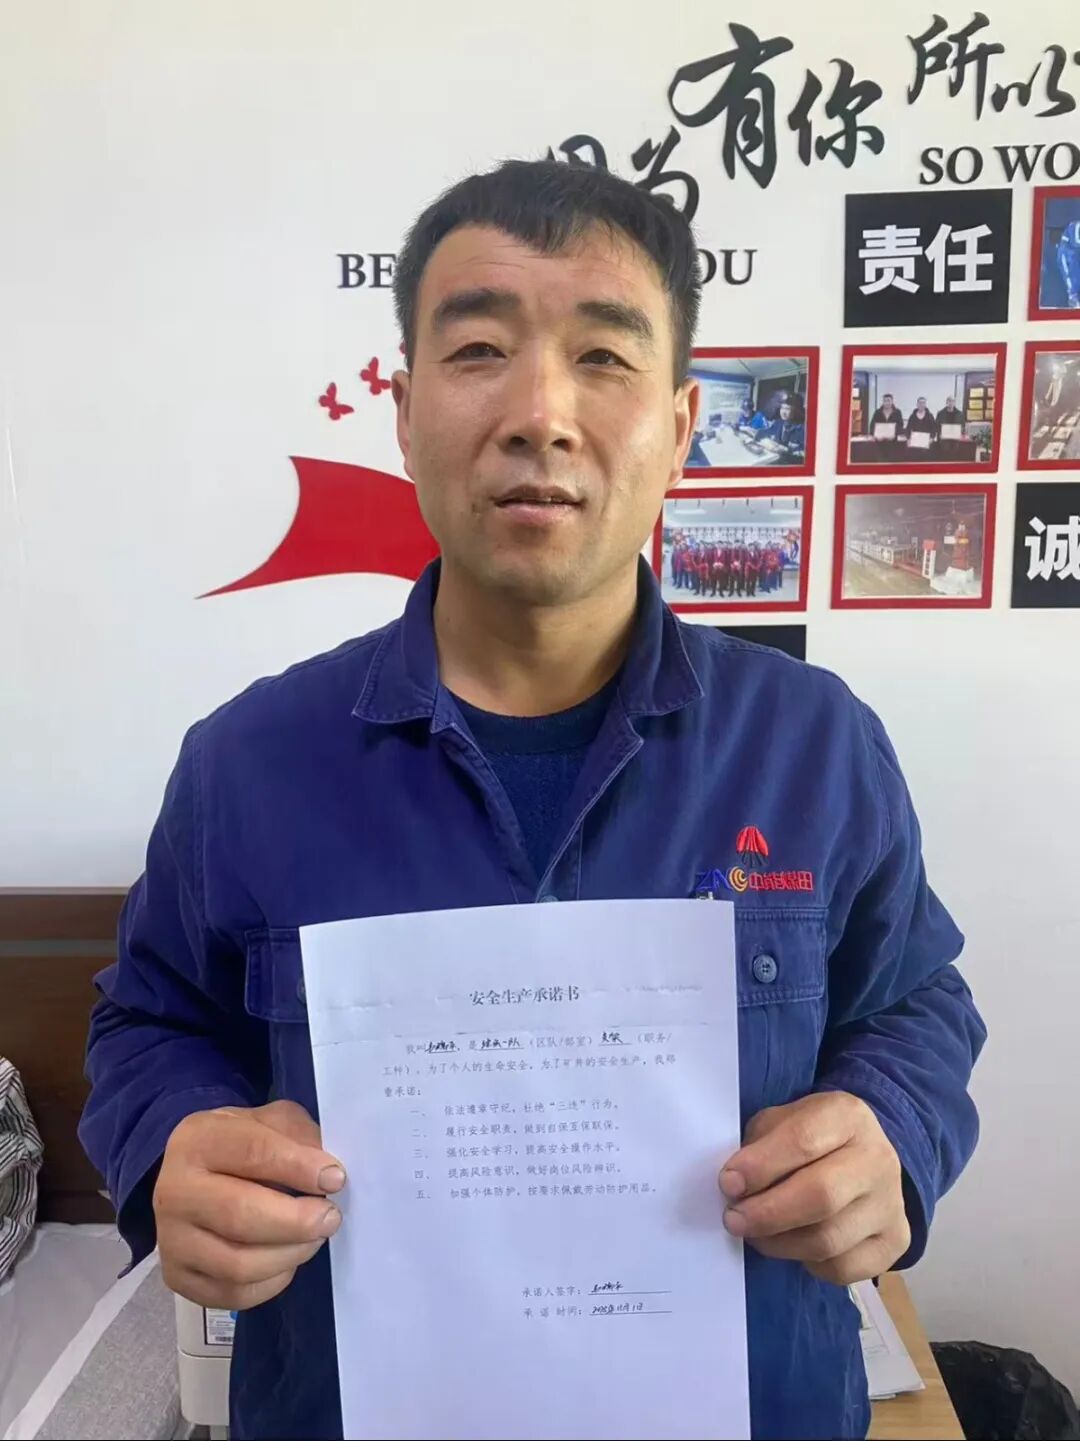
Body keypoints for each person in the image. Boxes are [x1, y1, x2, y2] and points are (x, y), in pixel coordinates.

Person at [80, 158, 985, 1441]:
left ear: (680, 425)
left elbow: (915, 1001)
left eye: (603, 357)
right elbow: (148, 1020)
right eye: (480, 350)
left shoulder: (814, 744)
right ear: (404, 413)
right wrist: (172, 1140)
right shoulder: (248, 762)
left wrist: (891, 1132)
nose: (541, 413)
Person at [1055, 217, 1080, 309]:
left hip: (1074, 257)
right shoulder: (1076, 226)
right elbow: (1076, 242)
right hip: (1067, 256)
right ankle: (1074, 301)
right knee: (1071, 280)